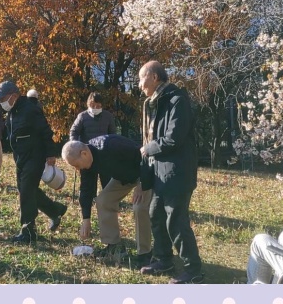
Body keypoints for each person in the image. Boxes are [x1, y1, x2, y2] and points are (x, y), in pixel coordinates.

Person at [137, 60, 204, 284]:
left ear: (154, 77)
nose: (139, 84)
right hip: (161, 172)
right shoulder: (155, 103)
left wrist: (148, 148)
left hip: (177, 173)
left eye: (141, 78)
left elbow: (173, 138)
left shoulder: (177, 100)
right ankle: (163, 260)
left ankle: (193, 269)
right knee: (156, 214)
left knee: (176, 221)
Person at [0, 79, 67, 244]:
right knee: (26, 189)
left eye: (3, 98)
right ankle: (55, 210)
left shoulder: (30, 110)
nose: (1, 102)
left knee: (26, 190)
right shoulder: (12, 112)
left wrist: (50, 154)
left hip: (35, 156)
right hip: (21, 158)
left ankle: (28, 231)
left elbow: (45, 131)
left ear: (14, 95)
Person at [62, 136, 153, 266]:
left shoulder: (112, 145)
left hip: (144, 174)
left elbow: (145, 157)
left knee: (139, 207)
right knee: (103, 200)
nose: (77, 169)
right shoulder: (87, 164)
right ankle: (114, 246)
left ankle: (145, 253)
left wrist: (142, 184)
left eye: (76, 165)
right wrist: (86, 219)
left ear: (84, 153)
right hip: (122, 178)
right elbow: (86, 190)